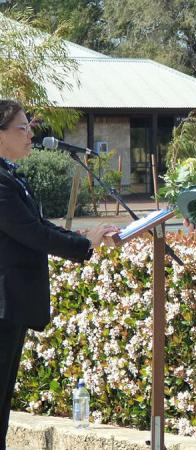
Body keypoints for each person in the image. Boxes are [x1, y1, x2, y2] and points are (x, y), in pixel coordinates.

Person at [0, 99, 118, 449]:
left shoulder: (8, 176)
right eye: (21, 127)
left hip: (12, 308)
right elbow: (34, 235)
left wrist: (83, 238)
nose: (30, 134)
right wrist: (85, 247)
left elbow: (35, 226)